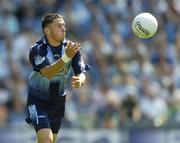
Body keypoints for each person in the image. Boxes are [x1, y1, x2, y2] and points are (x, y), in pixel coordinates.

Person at [25, 13, 90, 143]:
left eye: (64, 25)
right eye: (59, 25)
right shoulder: (37, 49)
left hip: (58, 102)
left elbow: (81, 72)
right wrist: (66, 58)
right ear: (47, 30)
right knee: (46, 140)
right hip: (37, 100)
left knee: (49, 141)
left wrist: (80, 80)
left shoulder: (71, 48)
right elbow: (48, 72)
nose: (64, 28)